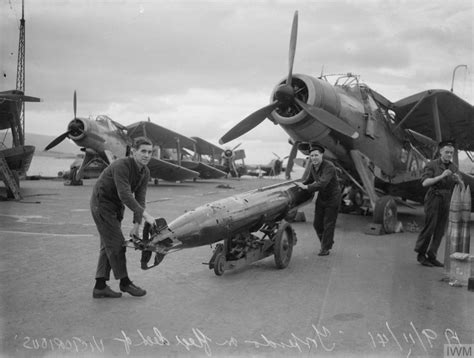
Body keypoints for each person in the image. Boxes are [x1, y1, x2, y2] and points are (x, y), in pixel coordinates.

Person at [91, 136, 156, 298]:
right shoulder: (121, 165)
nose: (147, 155)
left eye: (150, 152)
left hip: (115, 207)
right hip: (102, 204)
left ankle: (100, 286)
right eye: (143, 151)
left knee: (108, 245)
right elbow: (125, 194)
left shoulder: (145, 171)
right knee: (117, 244)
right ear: (133, 151)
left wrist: (136, 225)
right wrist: (147, 216)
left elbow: (140, 199)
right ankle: (125, 282)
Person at [414, 140, 463, 267]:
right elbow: (425, 183)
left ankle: (432, 255)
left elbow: (462, 187)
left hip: (447, 199)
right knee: (430, 227)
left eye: (451, 153)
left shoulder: (454, 167)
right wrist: (441, 176)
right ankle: (421, 254)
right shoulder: (432, 165)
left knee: (440, 230)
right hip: (434, 197)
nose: (449, 155)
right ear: (441, 152)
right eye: (446, 152)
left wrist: (458, 180)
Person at [297, 143, 341, 256]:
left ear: (321, 155)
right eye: (312, 156)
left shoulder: (329, 167)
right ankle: (327, 242)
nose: (314, 158)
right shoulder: (312, 166)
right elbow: (309, 180)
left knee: (328, 224)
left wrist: (306, 188)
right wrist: (299, 185)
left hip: (332, 198)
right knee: (317, 224)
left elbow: (322, 183)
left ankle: (325, 248)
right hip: (322, 198)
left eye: (316, 155)